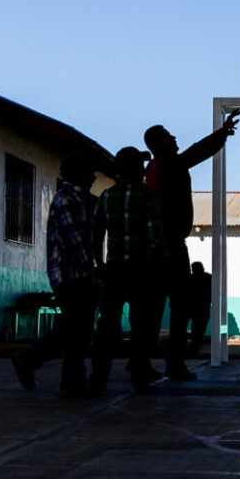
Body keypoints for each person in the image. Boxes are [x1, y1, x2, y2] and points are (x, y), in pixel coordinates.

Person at [144, 113, 238, 380]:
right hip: (170, 244)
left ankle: (141, 363)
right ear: (159, 143)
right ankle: (174, 363)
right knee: (179, 306)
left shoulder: (154, 168)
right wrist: (222, 133)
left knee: (155, 306)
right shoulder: (169, 165)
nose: (174, 137)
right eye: (168, 135)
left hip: (157, 245)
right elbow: (196, 153)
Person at [12, 152, 104, 396]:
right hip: (70, 276)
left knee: (78, 332)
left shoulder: (81, 199)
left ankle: (71, 382)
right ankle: (30, 360)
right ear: (79, 174)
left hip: (75, 275)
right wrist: (93, 274)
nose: (94, 177)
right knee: (74, 329)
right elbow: (74, 242)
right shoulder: (67, 200)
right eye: (90, 172)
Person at [92, 147, 164, 392]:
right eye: (141, 165)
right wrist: (158, 263)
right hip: (141, 270)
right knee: (141, 326)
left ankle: (99, 379)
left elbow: (97, 232)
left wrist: (99, 263)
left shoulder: (106, 196)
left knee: (107, 324)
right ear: (136, 169)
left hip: (114, 269)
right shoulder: (147, 195)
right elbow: (156, 235)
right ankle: (141, 378)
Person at [186, 261, 213, 356]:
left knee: (196, 323)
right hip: (203, 305)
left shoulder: (190, 278)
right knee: (201, 323)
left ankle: (196, 340)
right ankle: (197, 340)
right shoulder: (208, 277)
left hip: (194, 305)